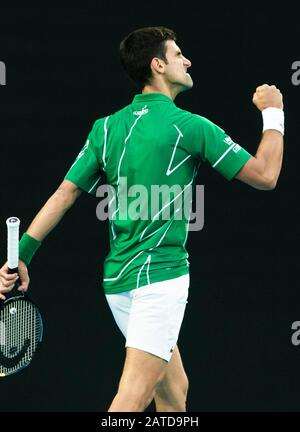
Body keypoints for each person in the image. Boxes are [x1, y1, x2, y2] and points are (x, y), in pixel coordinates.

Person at [0, 26, 284, 412]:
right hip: (161, 278)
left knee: (173, 391)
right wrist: (273, 112)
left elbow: (64, 195)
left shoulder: (106, 128)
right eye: (178, 53)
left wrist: (24, 254)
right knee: (130, 401)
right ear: (158, 65)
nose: (187, 60)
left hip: (118, 284)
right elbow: (267, 175)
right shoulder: (191, 126)